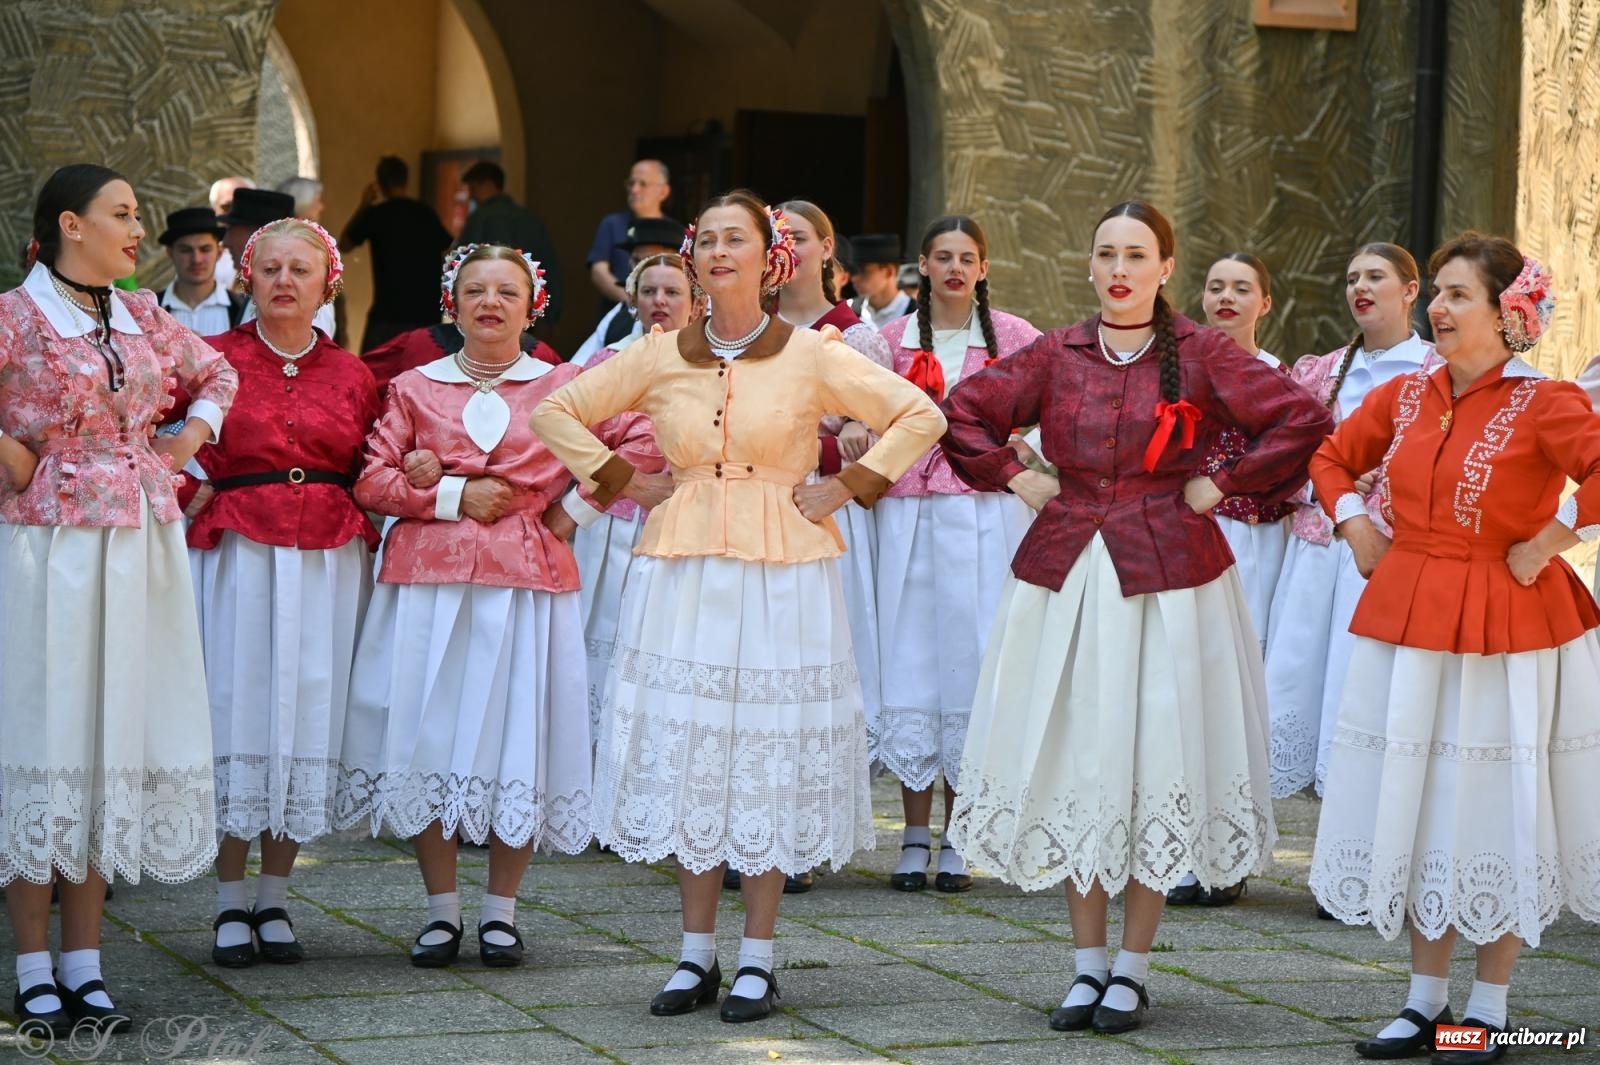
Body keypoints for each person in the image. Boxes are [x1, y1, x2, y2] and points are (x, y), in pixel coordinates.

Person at [530, 190, 945, 1021]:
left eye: (738, 239)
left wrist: (845, 485)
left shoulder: (813, 353)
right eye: (708, 239)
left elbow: (919, 412)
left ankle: (758, 956)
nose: (720, 250)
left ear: (770, 257)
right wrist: (623, 479)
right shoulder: (658, 353)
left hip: (784, 570)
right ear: (693, 257)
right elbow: (556, 407)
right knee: (693, 753)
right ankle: (694, 955)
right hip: (682, 567)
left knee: (765, 752)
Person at [940, 201, 1332, 1035]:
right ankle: (1085, 967)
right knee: (1084, 757)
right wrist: (1021, 478)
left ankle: (1134, 969)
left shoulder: (1202, 351)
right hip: (1067, 575)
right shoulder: (1057, 350)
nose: (1120, 269)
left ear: (1165, 269)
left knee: (1155, 760)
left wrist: (1220, 484)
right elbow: (964, 413)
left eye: (1137, 255)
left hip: (1172, 583)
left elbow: (1301, 417)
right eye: (1106, 253)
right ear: (1089, 266)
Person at [1308, 234, 1600, 1063]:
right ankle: (1423, 1001)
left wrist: (1551, 538)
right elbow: (1331, 458)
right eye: (1435, 292)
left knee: (1494, 807)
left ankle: (1490, 1009)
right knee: (1419, 796)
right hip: (1410, 617)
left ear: (1510, 315)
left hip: (1508, 627)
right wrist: (1354, 521)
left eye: (1458, 294)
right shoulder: (1404, 396)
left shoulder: (1547, 402)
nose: (1437, 307)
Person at [337, 245, 648, 969]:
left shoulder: (565, 384)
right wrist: (449, 493)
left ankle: (501, 912)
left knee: (518, 737)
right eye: (474, 289)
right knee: (428, 735)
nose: (490, 302)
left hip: (525, 581)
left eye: (507, 291)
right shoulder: (414, 387)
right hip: (428, 584)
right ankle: (441, 911)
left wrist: (574, 512)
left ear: (532, 304)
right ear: (451, 303)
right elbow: (372, 479)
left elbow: (636, 442)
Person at [0, 164, 238, 1035]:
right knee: (45, 733)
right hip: (47, 549)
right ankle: (32, 963)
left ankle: (86, 961)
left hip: (139, 544)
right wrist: (15, 456)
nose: (138, 229)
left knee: (107, 735)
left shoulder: (142, 313)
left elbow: (217, 378)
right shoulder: (16, 314)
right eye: (123, 214)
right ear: (71, 223)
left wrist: (180, 450)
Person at [181, 219, 380, 969]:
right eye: (270, 268)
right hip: (242, 551)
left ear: (327, 283)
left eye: (300, 269)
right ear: (248, 277)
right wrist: (185, 486)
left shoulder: (354, 374)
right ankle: (229, 900)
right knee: (238, 704)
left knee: (305, 711)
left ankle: (275, 896)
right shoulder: (211, 360)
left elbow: (375, 462)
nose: (284, 281)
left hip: (328, 557)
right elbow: (168, 438)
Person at [875, 216, 1040, 895]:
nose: (953, 267)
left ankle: (964, 831)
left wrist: (1025, 451)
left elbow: (1050, 408)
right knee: (913, 658)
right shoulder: (886, 339)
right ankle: (914, 833)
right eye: (941, 256)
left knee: (975, 660)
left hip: (982, 509)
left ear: (983, 266)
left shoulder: (1017, 336)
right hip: (908, 511)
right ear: (921, 263)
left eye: (966, 257)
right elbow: (856, 409)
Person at [1263, 244, 1439, 804]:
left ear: (1411, 291)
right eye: (1351, 279)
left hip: (1395, 558)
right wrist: (1327, 484)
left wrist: (1387, 482)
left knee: (1367, 695)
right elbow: (1280, 461)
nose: (1359, 287)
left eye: (1375, 277)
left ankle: (1356, 861)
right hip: (1320, 556)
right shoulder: (1320, 372)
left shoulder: (1438, 371)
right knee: (1295, 688)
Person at [1168, 252, 1289, 909]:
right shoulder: (1179, 370)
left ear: (1264, 303)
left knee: (1240, 691)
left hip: (1254, 544)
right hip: (1185, 539)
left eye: (1243, 288)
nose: (1226, 297)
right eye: (1216, 286)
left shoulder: (1278, 378)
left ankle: (1228, 851)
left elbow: (1301, 454)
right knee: (1186, 688)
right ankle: (1181, 843)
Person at [570, 252, 691, 763]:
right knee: (605, 638)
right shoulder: (605, 361)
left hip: (681, 520)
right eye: (649, 292)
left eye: (672, 292)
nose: (659, 301)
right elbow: (573, 433)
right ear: (633, 299)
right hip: (612, 520)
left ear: (695, 301)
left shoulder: (710, 360)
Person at [339, 155, 453, 352]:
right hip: (425, 313)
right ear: (406, 180)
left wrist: (364, 205)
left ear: (380, 184)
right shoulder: (425, 213)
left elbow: (345, 244)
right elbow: (448, 249)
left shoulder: (377, 215)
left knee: (374, 374)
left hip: (387, 313)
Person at [223, 188, 338, 340]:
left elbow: (305, 359)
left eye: (232, 229)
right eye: (270, 270)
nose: (226, 242)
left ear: (257, 235)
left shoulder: (307, 299)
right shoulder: (259, 288)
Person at [458, 161, 563, 327]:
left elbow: (461, 265)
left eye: (473, 188)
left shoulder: (481, 218)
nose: (471, 195)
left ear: (488, 184)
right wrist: (551, 314)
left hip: (487, 309)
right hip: (528, 308)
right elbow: (549, 266)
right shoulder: (530, 219)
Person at [570, 217, 687, 366]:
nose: (639, 268)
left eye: (650, 260)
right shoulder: (618, 315)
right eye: (635, 260)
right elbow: (577, 371)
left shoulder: (711, 331)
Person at [587, 159, 675, 311]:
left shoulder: (673, 231)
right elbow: (598, 271)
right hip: (618, 312)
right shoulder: (612, 224)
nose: (634, 189)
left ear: (663, 192)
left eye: (643, 184)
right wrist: (631, 300)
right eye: (631, 183)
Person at [159, 206, 247, 335]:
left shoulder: (242, 309)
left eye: (205, 249)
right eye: (186, 250)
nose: (197, 259)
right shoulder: (149, 309)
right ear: (170, 253)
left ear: (219, 253)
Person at [848, 233, 912, 328]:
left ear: (889, 271)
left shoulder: (917, 314)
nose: (854, 278)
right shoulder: (850, 309)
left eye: (863, 271)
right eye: (853, 271)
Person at [209, 175, 254, 291]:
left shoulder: (271, 253)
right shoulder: (202, 257)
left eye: (242, 206)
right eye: (227, 206)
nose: (234, 214)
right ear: (214, 210)